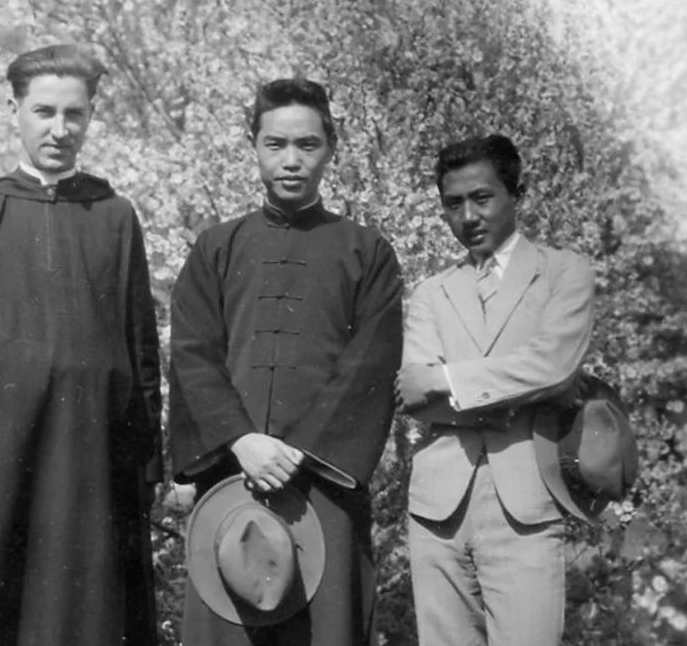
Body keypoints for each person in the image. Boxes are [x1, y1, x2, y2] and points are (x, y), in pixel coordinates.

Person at [0, 44, 163, 646]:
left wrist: (144, 460)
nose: (59, 129)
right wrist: (44, 371)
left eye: (74, 114)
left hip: (90, 455)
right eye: (43, 111)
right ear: (13, 109)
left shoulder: (115, 216)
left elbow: (139, 349)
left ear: (93, 114)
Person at [169, 77, 403, 645]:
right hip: (232, 476)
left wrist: (300, 450)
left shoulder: (366, 252)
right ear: (253, 145)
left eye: (308, 145)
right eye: (275, 145)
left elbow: (369, 365)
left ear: (331, 147)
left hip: (324, 483)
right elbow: (193, 355)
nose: (292, 161)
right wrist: (242, 440)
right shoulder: (216, 248)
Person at [396, 134, 596, 646]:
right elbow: (414, 394)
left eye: (482, 197)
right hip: (438, 508)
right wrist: (516, 398)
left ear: (516, 194)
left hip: (526, 502)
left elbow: (553, 366)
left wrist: (449, 380)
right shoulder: (431, 292)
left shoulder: (562, 272)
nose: (468, 216)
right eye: (453, 203)